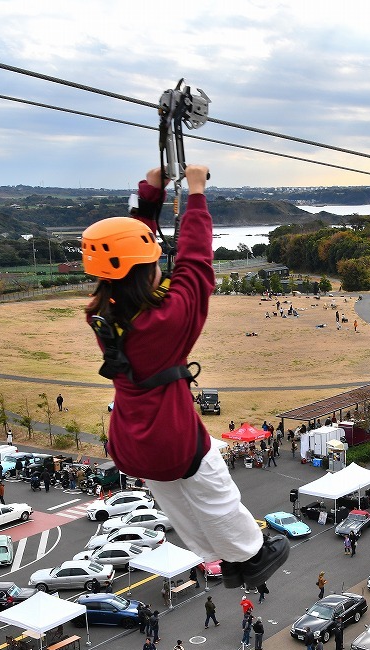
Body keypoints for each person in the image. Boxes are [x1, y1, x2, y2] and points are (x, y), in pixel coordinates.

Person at [84, 167, 288, 591]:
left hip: (131, 438)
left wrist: (151, 193)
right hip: (169, 432)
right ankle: (251, 554)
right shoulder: (168, 318)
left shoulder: (103, 313)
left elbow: (129, 247)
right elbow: (196, 260)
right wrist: (196, 193)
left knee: (176, 499)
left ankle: (219, 559)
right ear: (146, 268)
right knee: (213, 487)